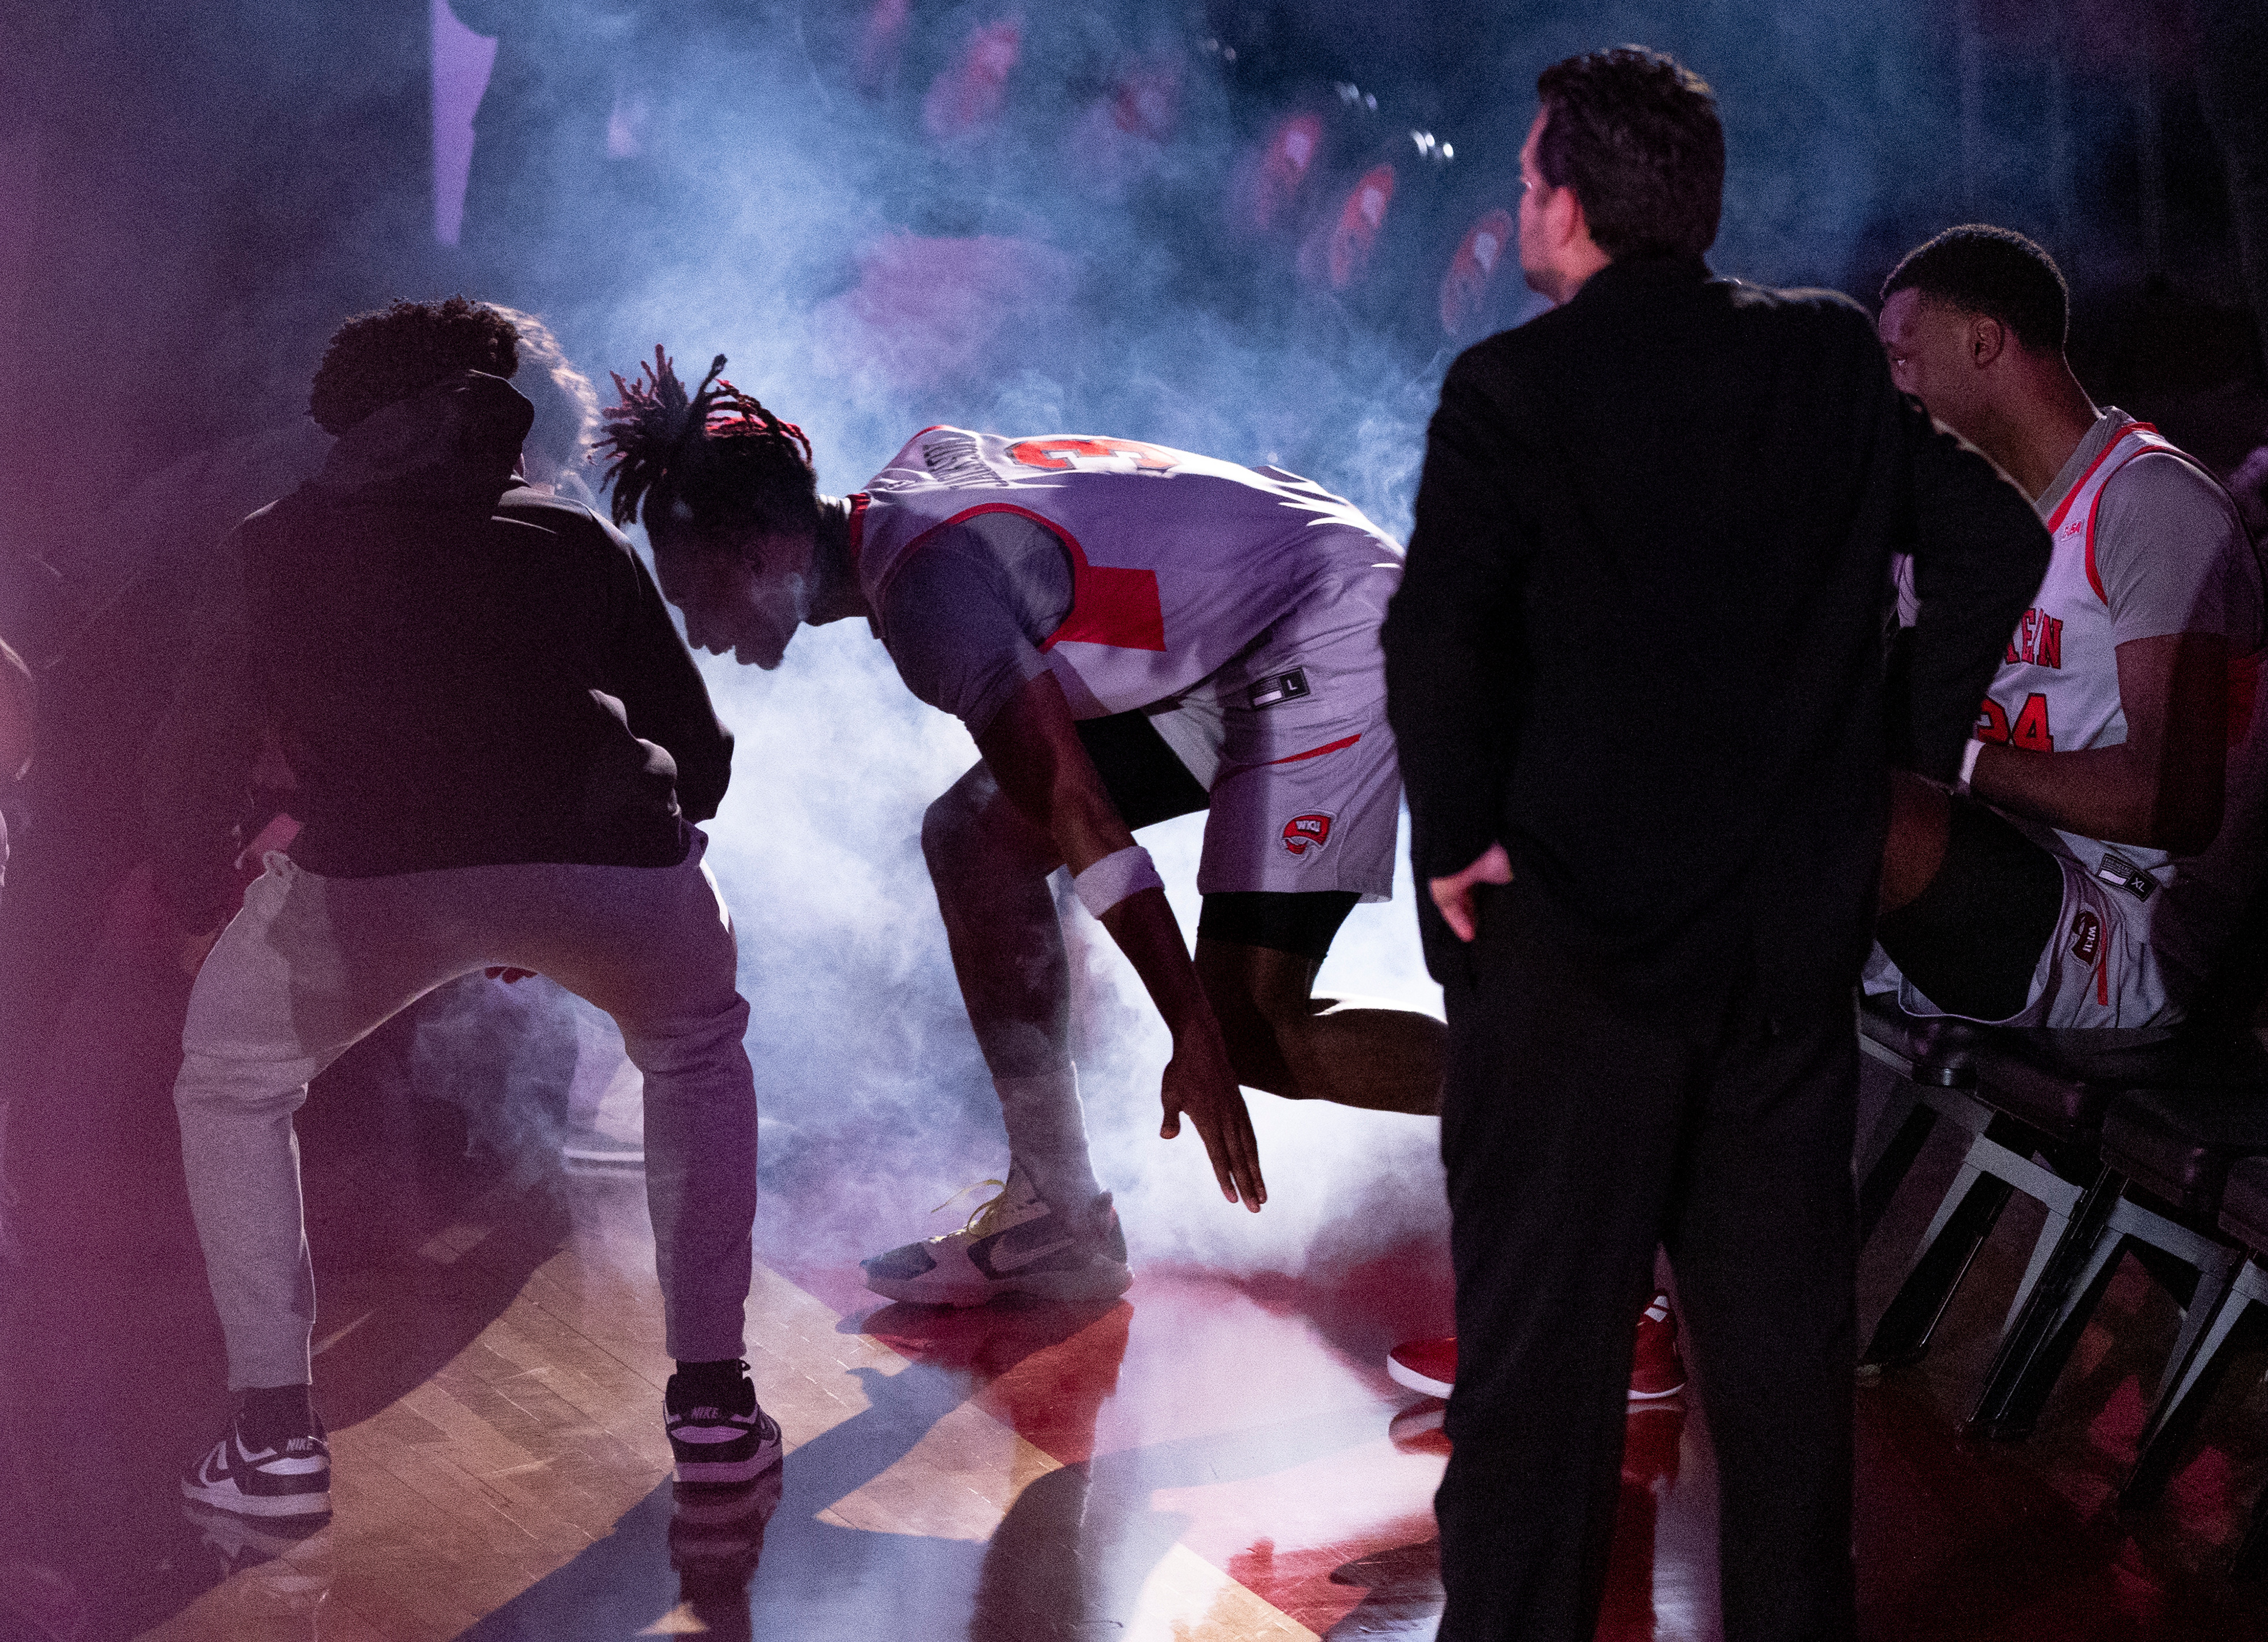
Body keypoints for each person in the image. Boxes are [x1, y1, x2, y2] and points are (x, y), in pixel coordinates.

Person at [1381, 47, 2050, 1642]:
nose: (1517, 198)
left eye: (1530, 174)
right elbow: (1994, 538)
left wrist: (1461, 839)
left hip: (1573, 961)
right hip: (1779, 953)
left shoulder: (1512, 391)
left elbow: (1435, 639)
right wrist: (1889, 747)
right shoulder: (1824, 357)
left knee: (1539, 1389)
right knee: (1780, 1388)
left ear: (1572, 204)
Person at [595, 353, 1445, 1307]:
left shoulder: (923, 594)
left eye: (696, 601)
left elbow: (1077, 805)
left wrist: (1190, 1028)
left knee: (1247, 1034)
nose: (702, 637)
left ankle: (1586, 1105)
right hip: (1255, 627)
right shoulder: (910, 491)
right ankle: (1059, 1211)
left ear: (762, 553)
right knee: (974, 839)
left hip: (1329, 625)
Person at [151, 298, 775, 1519]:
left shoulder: (272, 540)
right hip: (612, 867)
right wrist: (604, 873)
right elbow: (695, 745)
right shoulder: (575, 534)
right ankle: (715, 1403)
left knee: (231, 1078)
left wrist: (193, 892)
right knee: (694, 1049)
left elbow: (192, 755)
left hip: (372, 879)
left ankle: (273, 1439)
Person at [1872, 226, 2267, 1027]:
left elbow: (2169, 803)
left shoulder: (2150, 504)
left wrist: (1947, 752)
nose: (1889, 387)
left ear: (1984, 342)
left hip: (2129, 933)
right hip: (1993, 879)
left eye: (1901, 358)